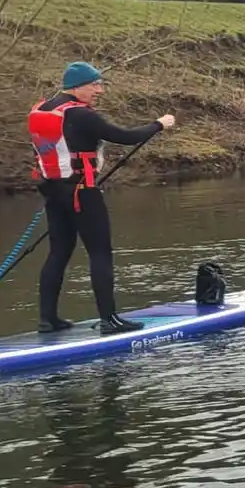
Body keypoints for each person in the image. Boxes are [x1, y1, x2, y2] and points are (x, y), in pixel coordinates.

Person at [29, 62, 175, 334]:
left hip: (53, 191)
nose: (100, 90)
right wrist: (159, 124)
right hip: (82, 192)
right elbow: (125, 137)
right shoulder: (81, 115)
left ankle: (47, 320)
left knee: (58, 252)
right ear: (77, 87)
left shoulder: (41, 109)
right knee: (100, 253)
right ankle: (110, 320)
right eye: (94, 85)